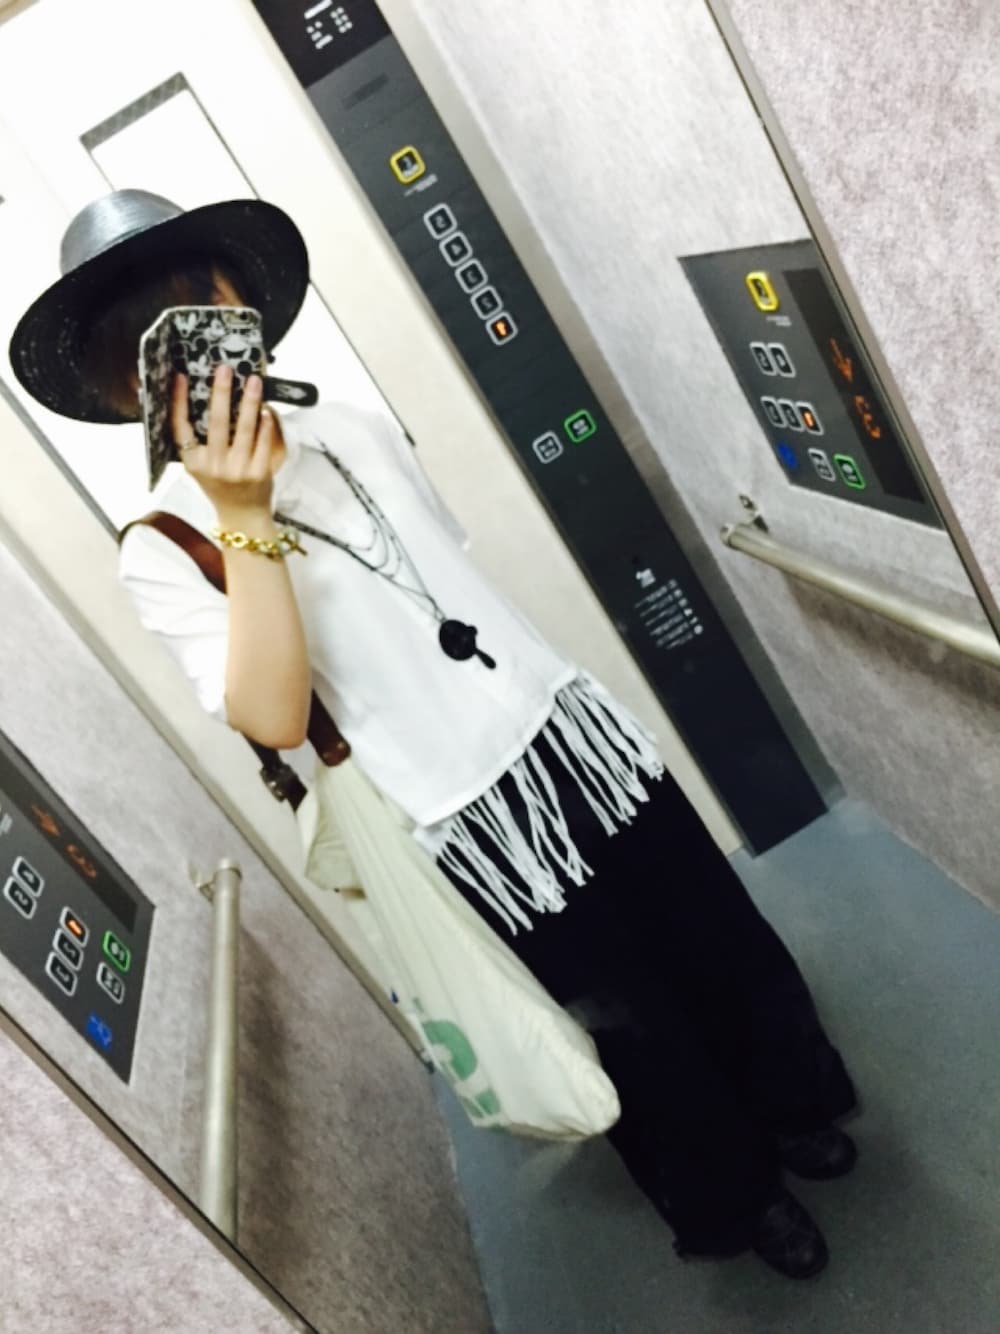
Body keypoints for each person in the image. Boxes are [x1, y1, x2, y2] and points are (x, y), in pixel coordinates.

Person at [10, 190, 859, 1279]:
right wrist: (246, 515)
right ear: (123, 386)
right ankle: (739, 1196)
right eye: (159, 349)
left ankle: (794, 1101)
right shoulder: (163, 543)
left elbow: (446, 568)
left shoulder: (348, 423)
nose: (204, 365)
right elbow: (271, 714)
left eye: (209, 317)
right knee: (634, 1029)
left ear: (246, 315)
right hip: (468, 819)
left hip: (570, 732)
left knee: (718, 937)